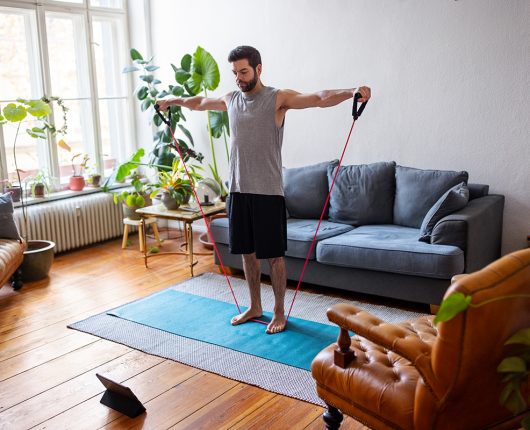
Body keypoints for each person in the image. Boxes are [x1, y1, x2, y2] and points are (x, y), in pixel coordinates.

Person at [156, 45, 371, 334]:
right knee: (246, 253)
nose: (238, 78)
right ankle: (255, 306)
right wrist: (172, 100)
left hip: (268, 192)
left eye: (243, 71)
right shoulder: (231, 99)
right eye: (235, 73)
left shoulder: (277, 98)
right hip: (238, 192)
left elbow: (320, 98)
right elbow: (199, 102)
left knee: (274, 256)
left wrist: (351, 91)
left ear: (259, 69)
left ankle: (279, 311)